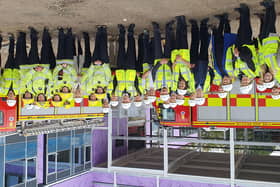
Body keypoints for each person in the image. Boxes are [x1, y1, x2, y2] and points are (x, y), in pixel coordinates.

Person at [111, 24, 143, 109]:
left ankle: (121, 31)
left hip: (120, 69)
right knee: (131, 48)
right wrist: (136, 74)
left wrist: (115, 74)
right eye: (127, 101)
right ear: (130, 100)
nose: (125, 100)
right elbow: (137, 83)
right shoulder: (135, 92)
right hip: (131, 69)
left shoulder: (116, 93)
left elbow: (114, 82)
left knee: (121, 48)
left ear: (121, 100)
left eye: (124, 101)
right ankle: (130, 31)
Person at [81, 27, 111, 102]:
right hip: (104, 63)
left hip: (95, 63)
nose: (99, 91)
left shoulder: (93, 84)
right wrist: (103, 64)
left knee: (97, 47)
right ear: (103, 91)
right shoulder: (106, 84)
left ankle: (98, 32)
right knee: (103, 47)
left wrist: (93, 65)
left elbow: (90, 73)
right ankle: (103, 31)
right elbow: (108, 73)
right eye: (101, 92)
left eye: (98, 92)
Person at [212, 13, 237, 93]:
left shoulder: (219, 74)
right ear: (230, 81)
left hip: (217, 51)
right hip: (227, 50)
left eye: (224, 83)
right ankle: (226, 20)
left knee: (218, 36)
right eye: (227, 82)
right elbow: (236, 61)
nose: (225, 81)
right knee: (227, 34)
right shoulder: (233, 72)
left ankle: (221, 20)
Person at [171, 16, 196, 96]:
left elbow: (173, 68)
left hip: (175, 56)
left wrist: (175, 61)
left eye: (180, 86)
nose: (181, 85)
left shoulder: (176, 78)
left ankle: (178, 22)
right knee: (183, 37)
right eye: (183, 86)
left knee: (177, 38)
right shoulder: (189, 78)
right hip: (184, 56)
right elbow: (190, 66)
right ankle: (182, 20)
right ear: (186, 86)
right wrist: (181, 59)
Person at [53, 28, 77, 103]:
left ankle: (61, 32)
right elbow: (73, 73)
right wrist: (67, 66)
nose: (64, 90)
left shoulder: (57, 84)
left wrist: (60, 66)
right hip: (69, 62)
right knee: (69, 47)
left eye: (63, 91)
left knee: (60, 47)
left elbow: (54, 73)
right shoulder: (72, 83)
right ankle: (69, 32)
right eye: (66, 91)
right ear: (69, 91)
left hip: (60, 62)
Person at [151, 22, 173, 102]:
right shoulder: (172, 84)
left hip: (158, 61)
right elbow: (173, 71)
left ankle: (156, 28)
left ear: (160, 93)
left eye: (162, 94)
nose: (164, 92)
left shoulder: (155, 85)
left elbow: (153, 72)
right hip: (168, 61)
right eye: (165, 93)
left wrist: (159, 63)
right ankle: (168, 27)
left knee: (157, 44)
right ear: (168, 92)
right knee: (168, 44)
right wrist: (167, 62)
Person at [191, 18, 210, 105]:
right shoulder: (207, 86)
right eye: (200, 96)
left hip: (193, 63)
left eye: (197, 96)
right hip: (203, 62)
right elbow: (211, 75)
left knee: (194, 44)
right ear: (203, 95)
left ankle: (194, 26)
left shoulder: (191, 87)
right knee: (204, 43)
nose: (199, 94)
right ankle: (203, 25)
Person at [0, 34, 19, 107]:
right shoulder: (19, 90)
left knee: (10, 54)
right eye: (12, 98)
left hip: (8, 70)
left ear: (7, 98)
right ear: (15, 98)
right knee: (17, 55)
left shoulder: (2, 90)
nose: (11, 97)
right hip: (17, 70)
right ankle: (18, 41)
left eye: (9, 98)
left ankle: (12, 40)